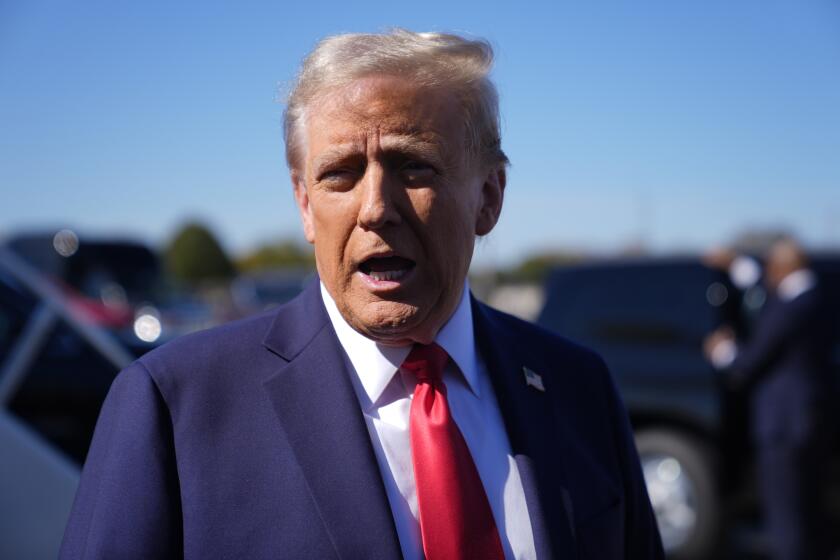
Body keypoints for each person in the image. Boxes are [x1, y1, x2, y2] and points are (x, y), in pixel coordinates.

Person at [60, 29, 663, 559]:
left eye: (414, 166)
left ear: (490, 196)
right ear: (303, 203)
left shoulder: (578, 387)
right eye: (340, 174)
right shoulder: (174, 406)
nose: (375, 208)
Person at [705, 239, 835, 560]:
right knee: (811, 508)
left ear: (780, 269)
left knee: (786, 514)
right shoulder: (821, 299)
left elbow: (751, 361)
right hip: (813, 421)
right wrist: (738, 265)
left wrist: (723, 353)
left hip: (783, 426)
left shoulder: (789, 309)